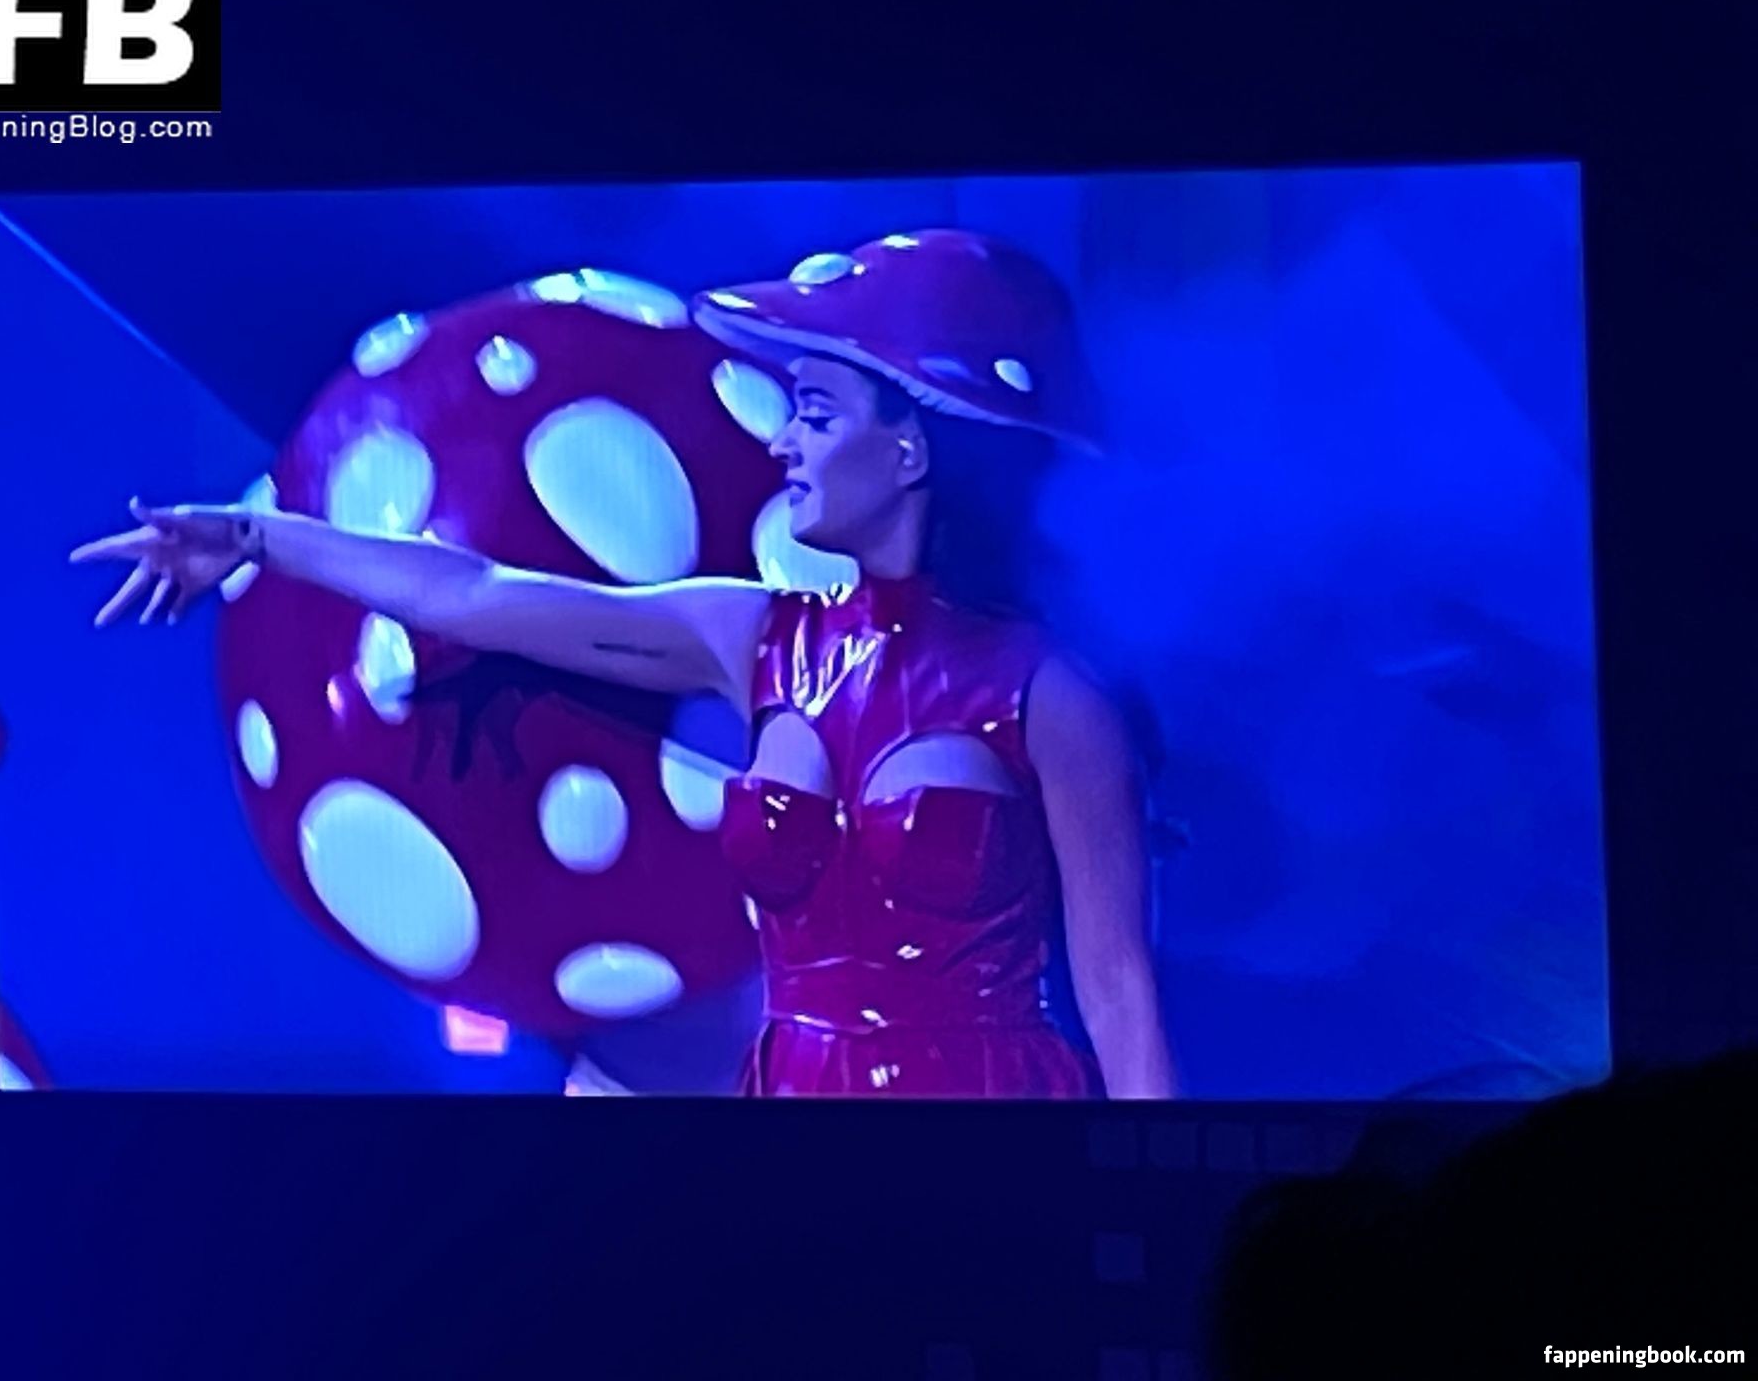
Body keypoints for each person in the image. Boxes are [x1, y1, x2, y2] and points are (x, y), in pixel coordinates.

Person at [70, 229, 1175, 1100]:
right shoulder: (757, 637)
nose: (782, 441)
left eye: (815, 411)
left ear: (908, 447)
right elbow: (475, 595)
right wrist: (254, 536)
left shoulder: (1049, 697)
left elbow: (1120, 992)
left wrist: (1140, 1204)